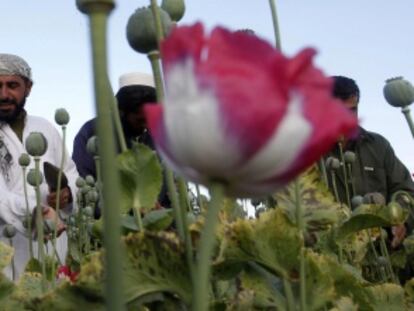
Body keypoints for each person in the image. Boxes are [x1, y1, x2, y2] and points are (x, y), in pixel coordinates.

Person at [0, 53, 79, 280]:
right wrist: (35, 211)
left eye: (12, 85)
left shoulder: (45, 127)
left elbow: (71, 172)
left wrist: (67, 194)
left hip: (52, 244)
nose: (4, 94)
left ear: (28, 88)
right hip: (6, 246)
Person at [327, 75, 414, 247]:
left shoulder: (378, 146)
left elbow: (405, 190)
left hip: (382, 255)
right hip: (330, 259)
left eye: (352, 110)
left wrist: (401, 219)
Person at [72, 72, 170, 208]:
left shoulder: (160, 137)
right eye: (140, 120)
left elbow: (169, 188)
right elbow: (83, 187)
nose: (146, 125)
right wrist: (129, 207)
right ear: (121, 111)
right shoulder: (92, 132)